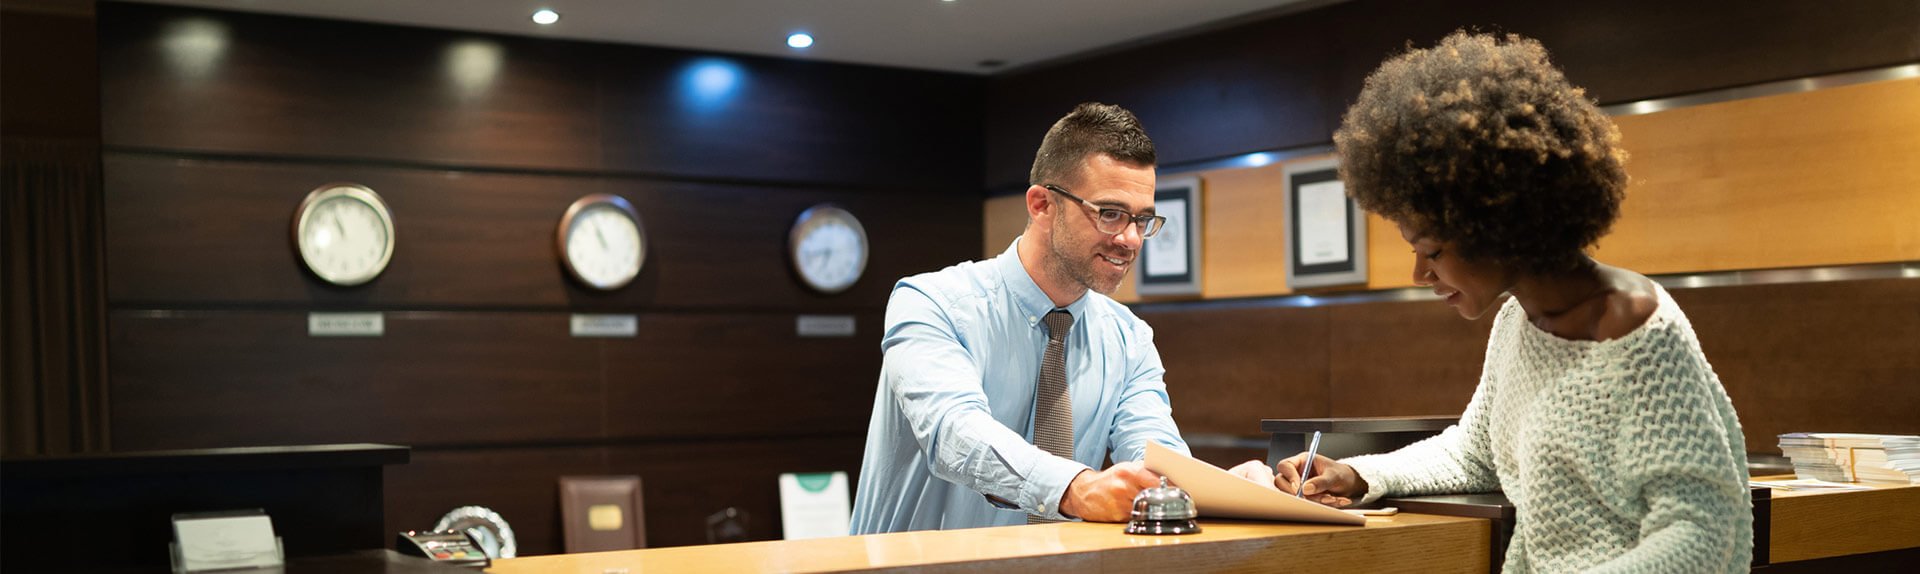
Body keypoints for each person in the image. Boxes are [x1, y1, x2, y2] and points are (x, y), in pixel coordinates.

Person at [1241, 32, 1753, 572]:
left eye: (1431, 251)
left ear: (1495, 223)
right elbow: (1474, 452)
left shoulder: (1639, 331)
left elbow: (1701, 535)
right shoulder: (1517, 322)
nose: (1419, 274)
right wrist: (1361, 473)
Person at [850, 102, 1189, 534]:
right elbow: (955, 434)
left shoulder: (1130, 338)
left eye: (1142, 220)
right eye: (1110, 214)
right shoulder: (931, 302)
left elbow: (1154, 456)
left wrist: (1243, 488)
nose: (1129, 239)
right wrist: (1075, 488)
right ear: (1042, 204)